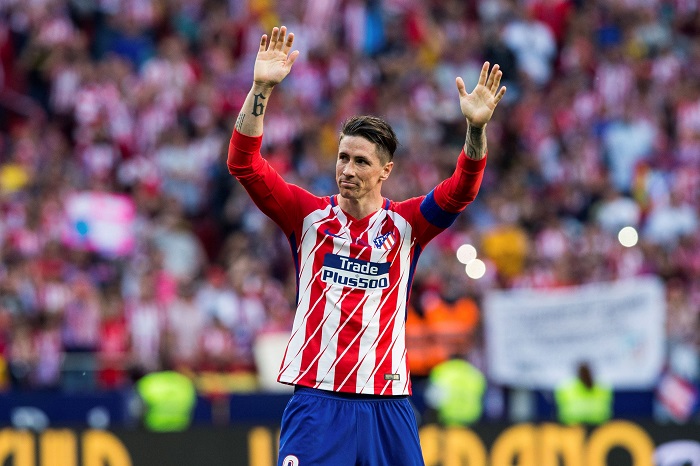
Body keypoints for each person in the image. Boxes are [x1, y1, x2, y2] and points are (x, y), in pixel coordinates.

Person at [227, 26, 505, 466]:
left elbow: (461, 191)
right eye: (342, 157)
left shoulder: (406, 225)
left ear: (385, 171)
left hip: (387, 404)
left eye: (361, 161)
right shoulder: (308, 217)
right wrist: (260, 89)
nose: (348, 169)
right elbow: (243, 164)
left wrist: (474, 131)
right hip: (317, 400)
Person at [554, 361, 613, 426]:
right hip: (573, 426)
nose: (585, 375)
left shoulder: (602, 387)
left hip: (597, 426)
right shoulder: (566, 388)